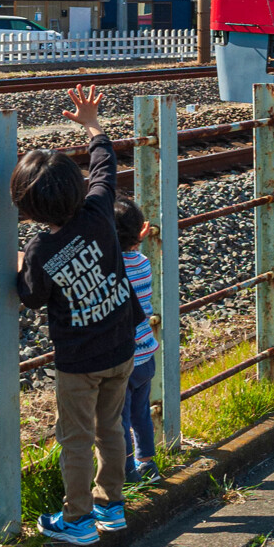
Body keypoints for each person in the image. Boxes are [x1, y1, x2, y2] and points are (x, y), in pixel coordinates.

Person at [11, 84, 141, 546]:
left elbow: (30, 297)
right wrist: (93, 127)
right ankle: (112, 505)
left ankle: (79, 519)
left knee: (75, 438)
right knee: (112, 429)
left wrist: (20, 261)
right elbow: (106, 166)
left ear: (26, 208)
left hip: (78, 362)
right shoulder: (100, 210)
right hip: (121, 346)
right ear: (78, 187)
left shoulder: (41, 248)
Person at [113, 196, 161, 484]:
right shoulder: (142, 263)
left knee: (118, 419)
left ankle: (127, 471)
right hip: (146, 354)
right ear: (142, 231)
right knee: (140, 412)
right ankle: (148, 463)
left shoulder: (112, 266)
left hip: (123, 359)